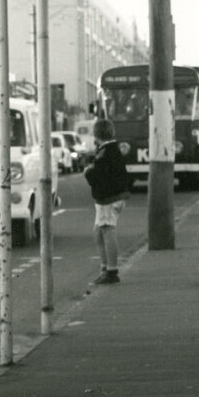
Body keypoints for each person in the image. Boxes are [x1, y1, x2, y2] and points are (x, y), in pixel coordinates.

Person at [83, 119, 131, 285]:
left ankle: (111, 271)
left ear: (97, 136)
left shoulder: (104, 153)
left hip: (108, 200)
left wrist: (88, 172)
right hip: (114, 197)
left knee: (107, 231)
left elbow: (98, 178)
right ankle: (105, 269)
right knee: (98, 232)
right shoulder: (112, 150)